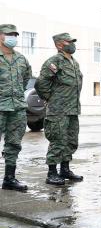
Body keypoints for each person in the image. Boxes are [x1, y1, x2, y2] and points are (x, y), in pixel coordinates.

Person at [35, 33, 83, 185]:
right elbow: (41, 83)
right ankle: (51, 173)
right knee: (57, 141)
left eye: (72, 41)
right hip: (58, 110)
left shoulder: (74, 62)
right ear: (59, 45)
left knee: (70, 140)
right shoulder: (54, 61)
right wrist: (51, 98)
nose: (72, 44)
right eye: (69, 42)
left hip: (72, 109)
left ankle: (65, 169)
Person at [0, 24, 31, 192]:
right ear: (0, 36)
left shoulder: (21, 59)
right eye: (9, 34)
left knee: (13, 144)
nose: (13, 37)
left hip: (17, 107)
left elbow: (26, 79)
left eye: (15, 34)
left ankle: (9, 179)